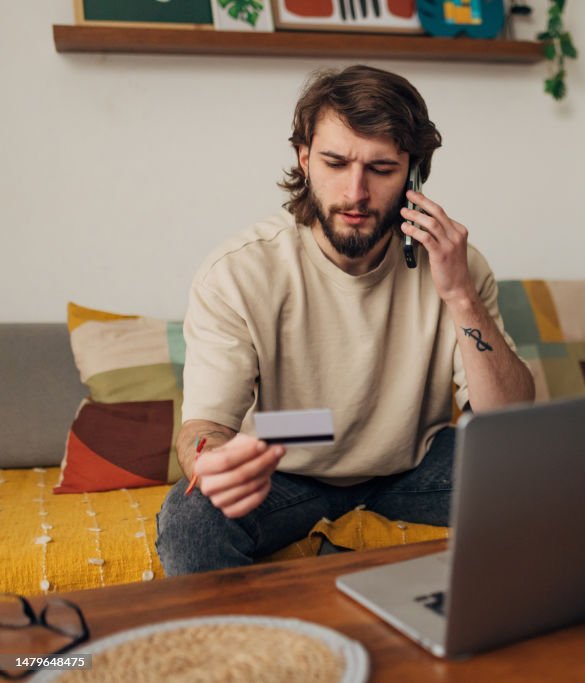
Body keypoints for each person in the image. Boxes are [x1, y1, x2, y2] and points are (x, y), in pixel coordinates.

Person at [156, 65, 535, 576]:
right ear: (305, 159)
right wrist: (209, 462)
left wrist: (460, 296)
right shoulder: (240, 272)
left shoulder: (455, 267)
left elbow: (508, 420)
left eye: (381, 169)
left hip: (410, 461)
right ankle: (241, 654)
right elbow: (205, 428)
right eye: (335, 163)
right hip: (286, 468)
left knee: (558, 465)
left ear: (414, 174)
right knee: (190, 518)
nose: (355, 193)